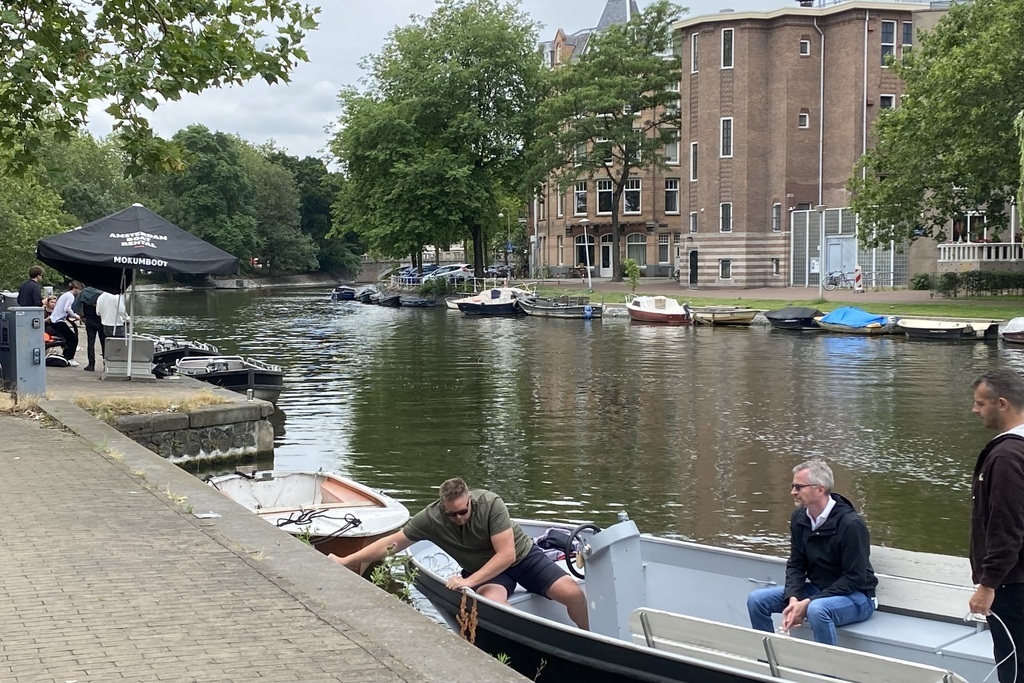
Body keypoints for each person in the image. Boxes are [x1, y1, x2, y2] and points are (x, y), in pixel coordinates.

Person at [329, 477, 589, 629]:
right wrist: (346, 560)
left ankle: (590, 638)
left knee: (574, 594)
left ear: (470, 501)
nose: (458, 517)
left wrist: (467, 582)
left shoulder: (490, 504)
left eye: (463, 511)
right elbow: (391, 544)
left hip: (522, 558)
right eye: (451, 514)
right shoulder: (431, 518)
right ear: (443, 507)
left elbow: (507, 555)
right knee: (499, 607)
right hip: (485, 572)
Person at [747, 460, 877, 645]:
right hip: (819, 590)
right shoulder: (800, 518)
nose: (793, 492)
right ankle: (769, 660)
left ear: (820, 489)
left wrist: (807, 601)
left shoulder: (851, 524)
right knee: (757, 600)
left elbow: (854, 578)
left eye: (798, 487)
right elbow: (796, 564)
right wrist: (793, 597)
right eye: (793, 486)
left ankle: (827, 673)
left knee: (817, 610)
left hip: (857, 596)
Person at [969, 368, 1024, 683]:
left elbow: (1007, 529)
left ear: (1001, 403)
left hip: (1011, 584)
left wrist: (988, 585)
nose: (974, 410)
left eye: (980, 403)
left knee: (1013, 665)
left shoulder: (1005, 457)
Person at [49, 280, 83, 365]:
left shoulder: (65, 295)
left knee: (68, 339)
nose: (79, 293)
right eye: (79, 290)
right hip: (58, 321)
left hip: (55, 320)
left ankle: (65, 357)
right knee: (73, 339)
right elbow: (67, 308)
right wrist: (75, 316)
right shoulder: (70, 297)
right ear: (75, 288)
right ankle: (69, 358)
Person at [77, 286, 105, 372]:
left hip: (89, 319)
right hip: (101, 320)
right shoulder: (103, 292)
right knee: (104, 342)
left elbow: (77, 305)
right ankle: (106, 363)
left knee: (90, 342)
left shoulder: (85, 292)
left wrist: (82, 316)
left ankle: (91, 364)